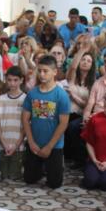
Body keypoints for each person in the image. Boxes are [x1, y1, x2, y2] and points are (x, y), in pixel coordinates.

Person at [22, 55, 70, 189]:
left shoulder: (61, 95)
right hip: (35, 144)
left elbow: (63, 123)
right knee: (29, 179)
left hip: (54, 146)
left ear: (55, 72)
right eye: (40, 70)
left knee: (54, 184)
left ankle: (52, 165)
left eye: (45, 71)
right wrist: (31, 142)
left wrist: (49, 146)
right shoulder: (32, 94)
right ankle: (41, 167)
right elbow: (25, 119)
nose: (42, 74)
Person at [0, 66, 27, 180]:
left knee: (14, 176)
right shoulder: (1, 99)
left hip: (18, 146)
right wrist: (3, 142)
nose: (12, 83)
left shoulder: (25, 99)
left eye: (15, 80)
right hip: (4, 144)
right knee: (4, 175)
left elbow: (26, 126)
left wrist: (17, 145)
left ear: (22, 80)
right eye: (9, 80)